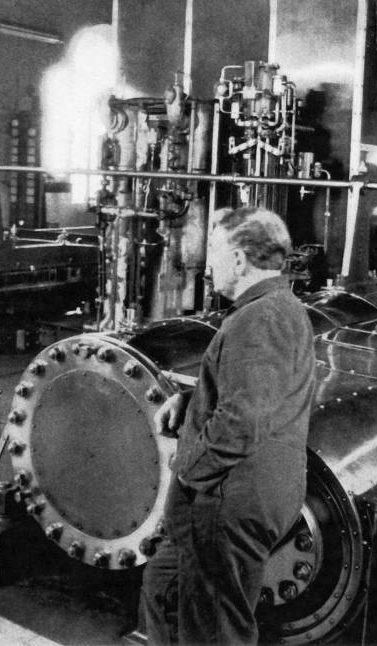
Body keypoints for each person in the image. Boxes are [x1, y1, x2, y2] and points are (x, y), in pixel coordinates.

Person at [141, 206, 316, 645]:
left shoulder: (261, 317)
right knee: (164, 589)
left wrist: (188, 470)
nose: (209, 266)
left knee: (214, 631)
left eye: (215, 253)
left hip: (226, 502)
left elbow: (244, 418)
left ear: (239, 260)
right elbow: (254, 392)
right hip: (232, 498)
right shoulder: (276, 308)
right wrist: (191, 401)